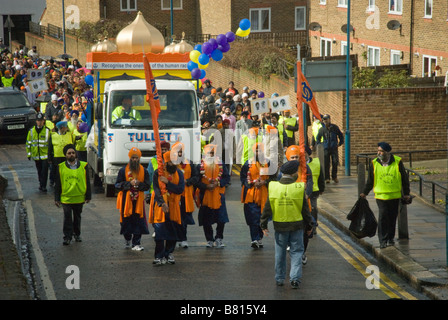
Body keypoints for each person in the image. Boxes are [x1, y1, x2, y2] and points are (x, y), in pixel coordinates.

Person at [260, 160, 313, 289]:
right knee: (296, 252)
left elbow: (267, 208)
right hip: (296, 227)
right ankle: (295, 279)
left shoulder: (273, 186)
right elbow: (305, 211)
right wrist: (310, 225)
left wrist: (263, 224)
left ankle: (279, 278)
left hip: (280, 226)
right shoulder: (299, 188)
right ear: (294, 173)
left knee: (280, 253)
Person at [360, 142, 411, 249]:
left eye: (381, 151)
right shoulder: (374, 163)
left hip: (394, 195)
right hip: (381, 196)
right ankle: (383, 240)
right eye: (378, 150)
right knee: (383, 216)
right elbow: (370, 179)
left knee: (392, 218)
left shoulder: (397, 161)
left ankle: (390, 238)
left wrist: (406, 193)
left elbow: (404, 179)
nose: (379, 153)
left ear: (387, 152)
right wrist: (365, 192)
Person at [148, 150, 185, 265]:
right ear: (167, 162)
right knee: (160, 232)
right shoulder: (158, 173)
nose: (174, 164)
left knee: (172, 232)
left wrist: (168, 184)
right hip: (161, 207)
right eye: (171, 162)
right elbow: (156, 190)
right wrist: (162, 203)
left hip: (174, 207)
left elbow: (180, 189)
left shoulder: (179, 173)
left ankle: (169, 253)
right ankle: (159, 256)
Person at [240, 142, 276, 248]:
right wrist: (251, 183)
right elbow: (243, 178)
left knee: (262, 217)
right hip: (251, 195)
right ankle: (254, 239)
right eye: (256, 150)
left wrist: (264, 182)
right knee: (253, 217)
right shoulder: (247, 164)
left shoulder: (268, 163)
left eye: (259, 150)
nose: (258, 152)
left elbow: (274, 178)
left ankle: (259, 238)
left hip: (264, 194)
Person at [54, 144, 91, 245]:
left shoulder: (84, 166)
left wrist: (88, 196)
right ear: (65, 155)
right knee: (67, 217)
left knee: (77, 217)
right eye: (69, 153)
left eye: (73, 153)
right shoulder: (60, 167)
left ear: (76, 154)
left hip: (79, 197)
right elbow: (58, 184)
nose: (71, 155)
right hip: (66, 198)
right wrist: (57, 198)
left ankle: (77, 234)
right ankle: (67, 237)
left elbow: (87, 181)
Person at [195, 144, 230, 248]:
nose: (210, 154)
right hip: (205, 195)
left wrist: (218, 184)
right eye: (209, 153)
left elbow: (226, 177)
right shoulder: (199, 165)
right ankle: (209, 239)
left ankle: (219, 238)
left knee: (221, 218)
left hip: (218, 195)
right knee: (206, 219)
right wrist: (206, 186)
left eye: (212, 153)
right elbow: (196, 181)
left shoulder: (220, 163)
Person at [115, 147, 150, 251]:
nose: (135, 160)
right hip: (126, 201)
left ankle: (136, 243)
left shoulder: (144, 171)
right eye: (133, 158)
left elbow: (147, 185)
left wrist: (139, 184)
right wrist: (128, 184)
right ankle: (127, 238)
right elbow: (117, 185)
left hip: (138, 201)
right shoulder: (123, 170)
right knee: (125, 222)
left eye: (137, 158)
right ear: (130, 158)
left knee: (138, 221)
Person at [172, 142, 199, 248]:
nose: (179, 154)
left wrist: (188, 181)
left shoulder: (190, 163)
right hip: (174, 195)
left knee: (184, 218)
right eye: (177, 152)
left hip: (186, 196)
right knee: (175, 218)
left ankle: (183, 239)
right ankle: (175, 238)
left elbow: (196, 177)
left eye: (181, 152)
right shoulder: (171, 164)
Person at [26, 112, 51, 192]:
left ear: (43, 121)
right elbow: (28, 143)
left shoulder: (47, 131)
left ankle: (43, 186)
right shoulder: (31, 131)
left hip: (45, 155)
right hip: (36, 155)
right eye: (38, 120)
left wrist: (50, 155)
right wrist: (29, 154)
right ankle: (41, 183)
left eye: (41, 120)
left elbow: (50, 144)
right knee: (39, 171)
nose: (39, 122)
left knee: (44, 171)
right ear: (36, 121)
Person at [316, 114, 344, 183]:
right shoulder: (322, 129)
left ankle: (334, 176)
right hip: (325, 149)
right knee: (326, 163)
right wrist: (321, 145)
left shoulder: (334, 127)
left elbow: (340, 136)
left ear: (329, 119)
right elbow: (317, 139)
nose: (325, 120)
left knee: (335, 162)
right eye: (324, 119)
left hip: (334, 148)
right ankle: (327, 178)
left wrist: (340, 143)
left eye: (326, 119)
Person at [48, 121, 75, 187]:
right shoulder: (53, 136)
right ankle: (56, 183)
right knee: (56, 172)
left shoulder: (69, 135)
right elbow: (50, 148)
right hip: (57, 158)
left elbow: (72, 145)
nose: (67, 128)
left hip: (67, 157)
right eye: (66, 127)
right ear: (62, 128)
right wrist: (49, 158)